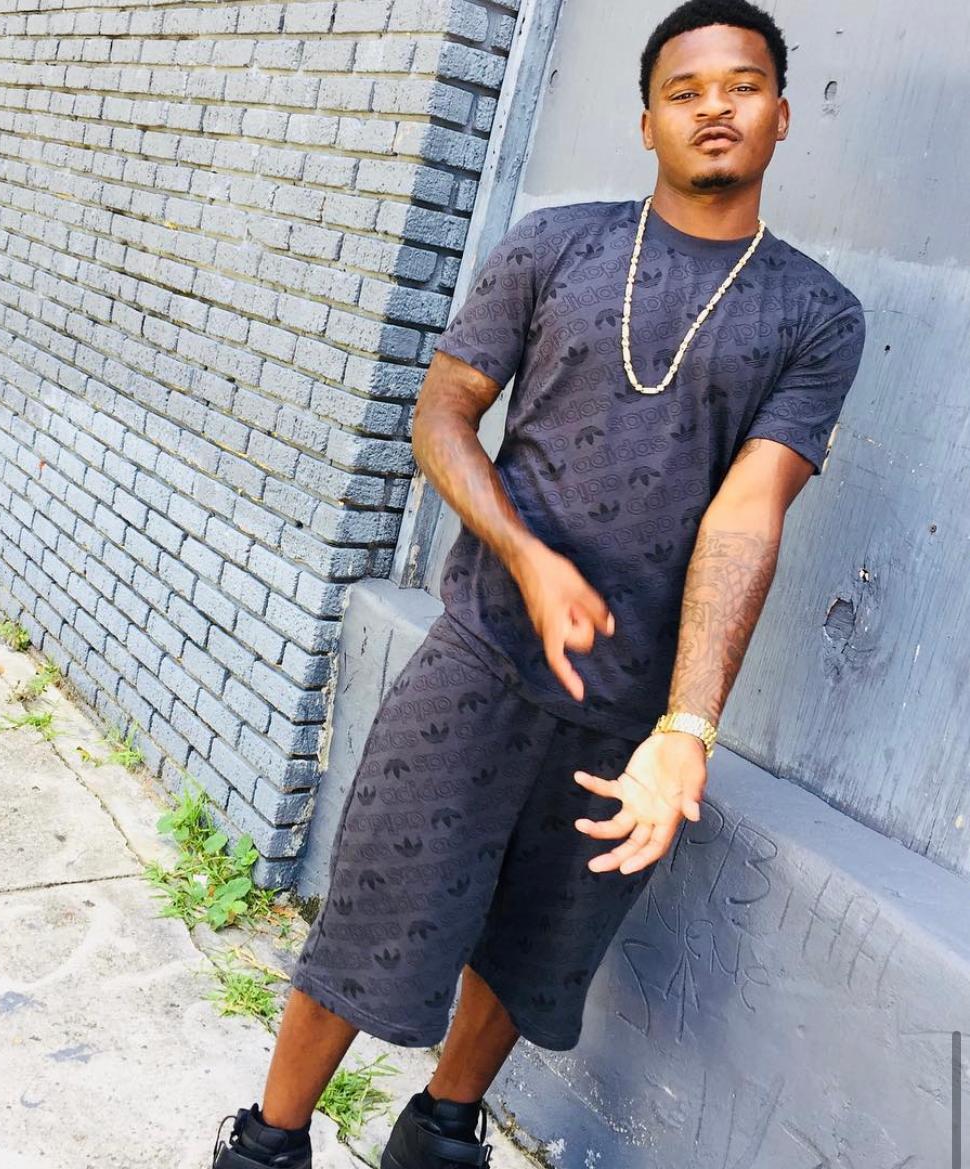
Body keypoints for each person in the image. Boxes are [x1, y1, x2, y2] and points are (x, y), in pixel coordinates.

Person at [212, 1, 866, 1165]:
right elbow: (442, 412)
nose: (714, 106)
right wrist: (526, 553)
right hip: (479, 657)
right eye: (684, 90)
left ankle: (441, 1130)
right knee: (378, 913)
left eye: (742, 84)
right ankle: (269, 1139)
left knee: (537, 948)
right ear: (646, 122)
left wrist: (687, 727)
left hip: (629, 707)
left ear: (781, 113)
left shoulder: (815, 313)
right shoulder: (554, 245)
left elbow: (747, 512)